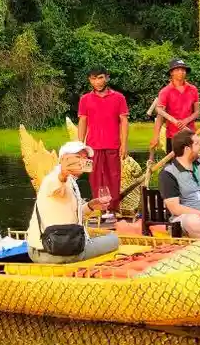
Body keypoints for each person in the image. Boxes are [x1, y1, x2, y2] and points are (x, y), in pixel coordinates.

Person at [27, 141, 118, 263]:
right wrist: (63, 173)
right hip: (50, 251)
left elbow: (74, 215)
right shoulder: (54, 178)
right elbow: (56, 183)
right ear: (64, 159)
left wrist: (91, 206)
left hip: (57, 246)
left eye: (85, 158)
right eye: (78, 157)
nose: (83, 161)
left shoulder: (71, 181)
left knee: (101, 239)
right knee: (114, 239)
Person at [77, 67, 130, 213]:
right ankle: (99, 210)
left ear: (106, 78)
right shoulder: (85, 99)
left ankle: (112, 211)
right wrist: (80, 146)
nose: (97, 82)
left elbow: (124, 121)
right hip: (92, 147)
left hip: (113, 145)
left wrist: (124, 145)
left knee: (113, 178)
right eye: (93, 79)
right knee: (95, 180)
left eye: (100, 78)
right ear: (90, 80)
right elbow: (82, 122)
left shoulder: (119, 97)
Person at [159, 130, 200, 239]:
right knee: (193, 220)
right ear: (187, 149)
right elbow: (175, 208)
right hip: (185, 220)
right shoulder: (168, 173)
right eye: (197, 144)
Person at [149, 59, 200, 154]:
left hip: (190, 134)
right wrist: (155, 137)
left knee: (192, 165)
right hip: (173, 136)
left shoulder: (193, 89)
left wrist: (186, 121)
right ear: (171, 73)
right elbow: (160, 115)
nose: (181, 72)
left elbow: (197, 112)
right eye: (177, 70)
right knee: (173, 166)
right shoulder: (165, 91)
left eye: (183, 70)